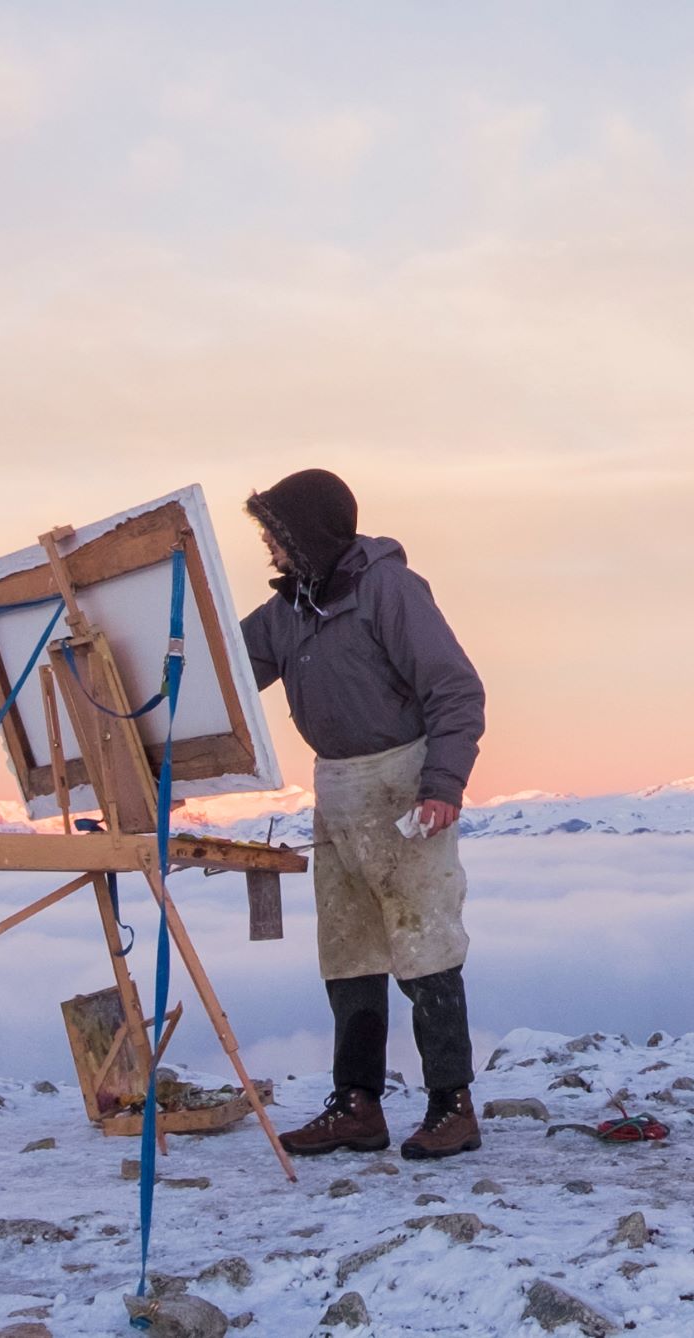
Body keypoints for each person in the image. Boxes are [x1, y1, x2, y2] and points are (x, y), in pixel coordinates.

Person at [241, 469, 486, 1160]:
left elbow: (455, 688)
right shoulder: (290, 609)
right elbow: (227, 670)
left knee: (423, 941)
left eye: (276, 532)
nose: (268, 545)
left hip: (404, 785)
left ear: (310, 533)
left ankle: (452, 1106)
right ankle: (358, 1105)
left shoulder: (388, 589)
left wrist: (443, 783)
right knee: (347, 947)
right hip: (338, 788)